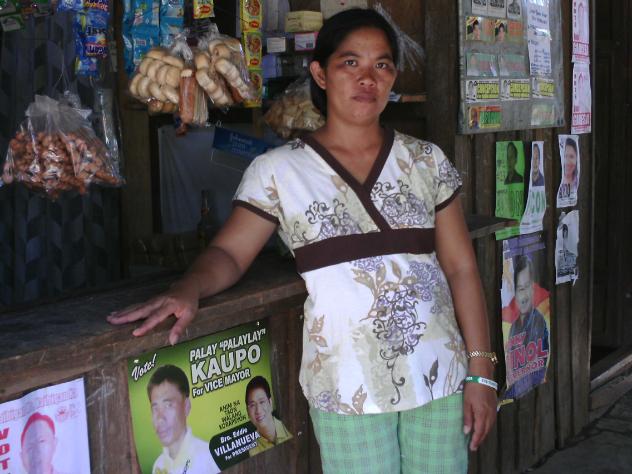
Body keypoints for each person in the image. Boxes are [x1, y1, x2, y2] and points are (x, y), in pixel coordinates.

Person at [109, 8, 496, 473]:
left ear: (393, 78)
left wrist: (482, 372)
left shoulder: (427, 161)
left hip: (441, 375)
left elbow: (460, 268)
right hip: (346, 386)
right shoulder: (279, 171)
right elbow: (230, 252)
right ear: (320, 74)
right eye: (350, 63)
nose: (367, 78)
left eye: (382, 65)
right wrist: (188, 288)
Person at [147, 365, 220, 474]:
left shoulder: (208, 457)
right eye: (155, 408)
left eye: (168, 405)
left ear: (186, 406)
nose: (160, 418)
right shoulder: (158, 465)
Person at [505, 255, 549, 400]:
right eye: (520, 289)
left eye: (527, 287)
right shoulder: (513, 327)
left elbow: (538, 372)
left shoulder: (538, 321)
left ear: (533, 289)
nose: (524, 296)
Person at [245, 376, 292, 456]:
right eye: (252, 405)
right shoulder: (251, 449)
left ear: (270, 403)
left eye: (262, 402)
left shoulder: (289, 425)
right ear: (248, 412)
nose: (258, 410)